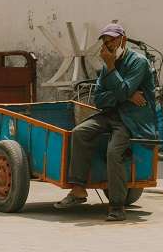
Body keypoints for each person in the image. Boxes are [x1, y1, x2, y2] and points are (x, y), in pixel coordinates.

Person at [55, 22, 157, 222]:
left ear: (123, 40)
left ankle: (117, 207)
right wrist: (126, 95)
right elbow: (100, 99)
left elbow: (123, 89)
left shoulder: (139, 62)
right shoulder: (107, 65)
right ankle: (78, 190)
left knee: (114, 151)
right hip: (111, 114)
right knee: (79, 132)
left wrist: (114, 75)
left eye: (112, 41)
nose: (108, 45)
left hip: (133, 119)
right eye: (105, 42)